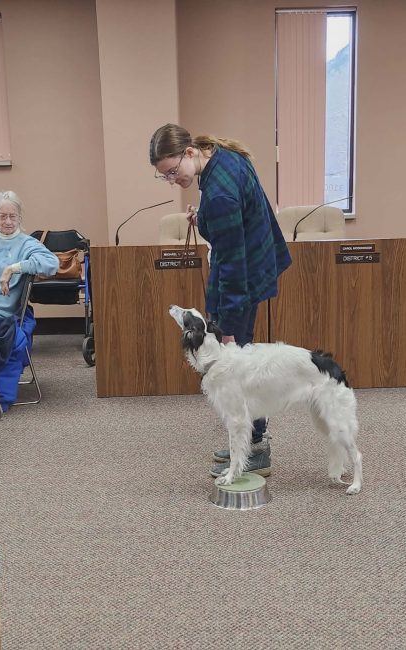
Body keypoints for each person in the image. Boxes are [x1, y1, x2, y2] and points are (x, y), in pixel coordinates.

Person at [149, 123, 292, 478]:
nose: (172, 180)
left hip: (241, 281)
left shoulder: (218, 195)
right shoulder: (222, 158)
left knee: (238, 371)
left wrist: (226, 326)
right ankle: (248, 441)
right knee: (243, 365)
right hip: (251, 269)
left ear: (189, 152)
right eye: (165, 176)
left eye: (172, 171)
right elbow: (232, 229)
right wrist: (205, 220)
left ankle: (255, 448)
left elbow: (231, 263)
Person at [0, 190, 59, 318]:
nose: (8, 222)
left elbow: (52, 264)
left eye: (13, 216)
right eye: (2, 216)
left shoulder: (27, 244)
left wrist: (12, 268)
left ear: (19, 217)